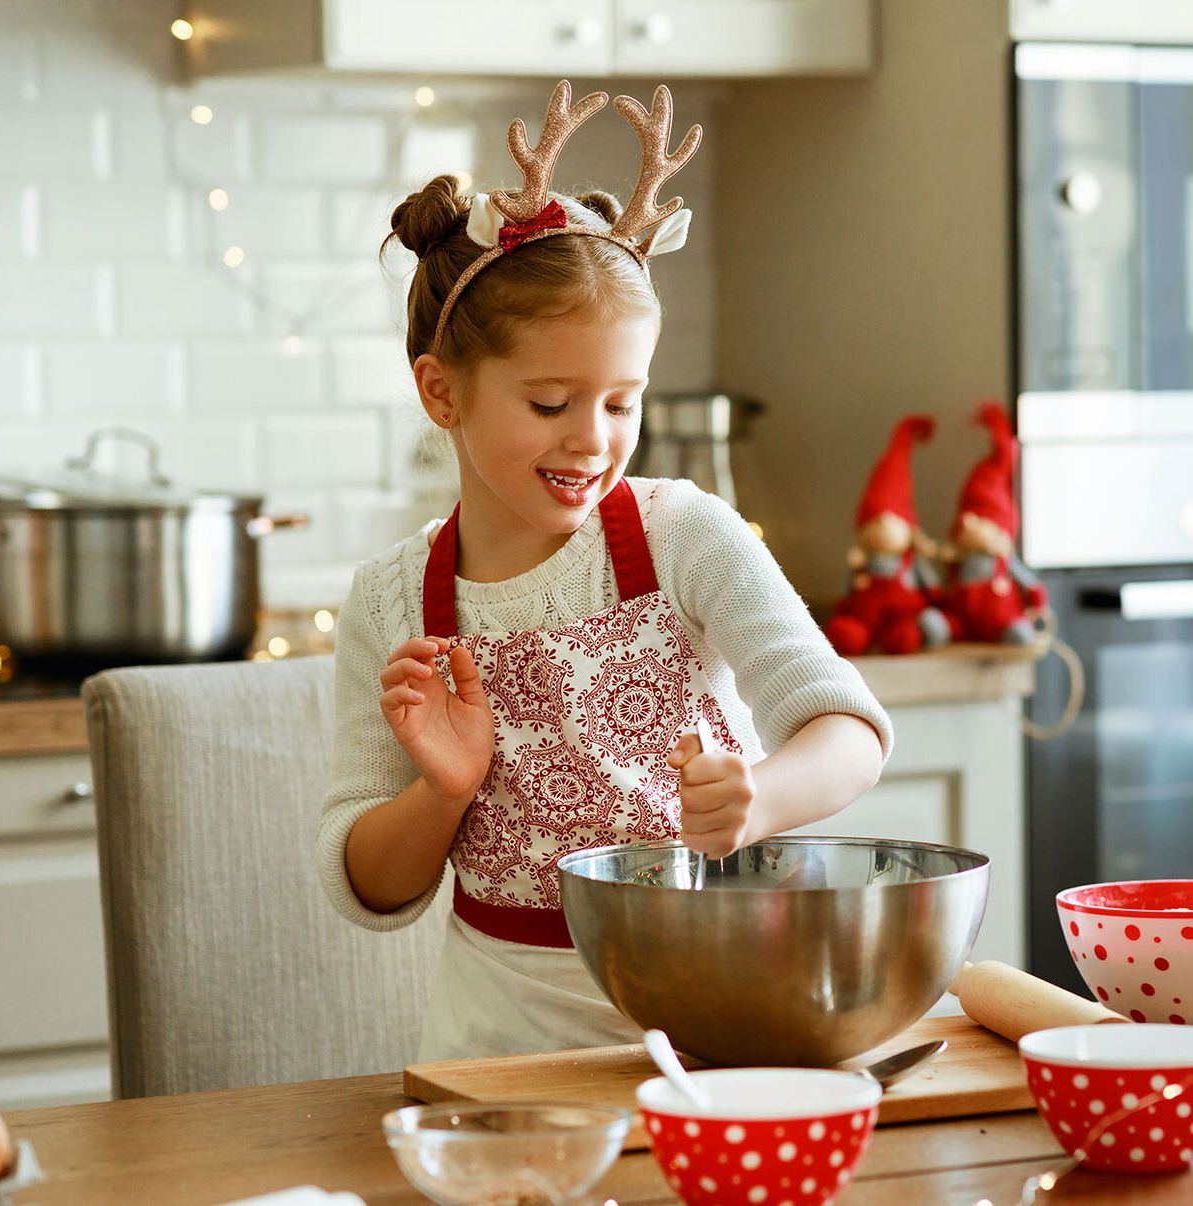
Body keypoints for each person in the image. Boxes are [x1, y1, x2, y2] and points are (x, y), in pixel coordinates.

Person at [316, 80, 893, 1062]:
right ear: (440, 392)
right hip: (498, 1056)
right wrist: (441, 794)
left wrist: (763, 794)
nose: (594, 440)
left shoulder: (679, 533)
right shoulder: (391, 599)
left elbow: (846, 726)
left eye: (621, 403)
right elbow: (367, 885)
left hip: (719, 1025)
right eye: (551, 404)